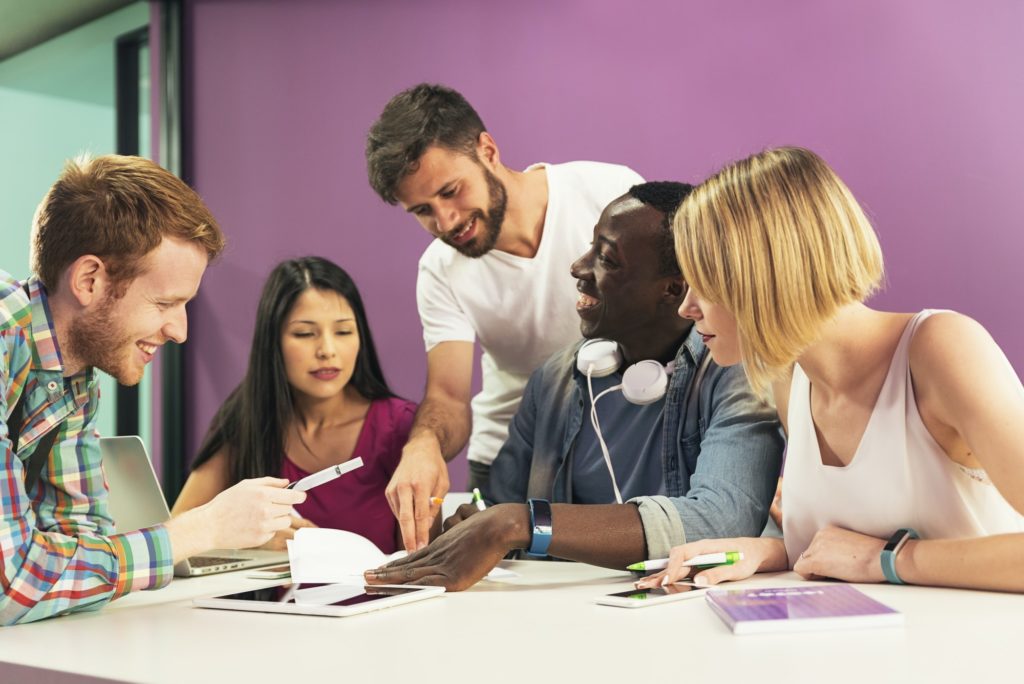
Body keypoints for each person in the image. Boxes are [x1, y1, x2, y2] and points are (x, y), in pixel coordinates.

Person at [638, 146, 1024, 594]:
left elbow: (869, 555)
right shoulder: (789, 379)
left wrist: (891, 560)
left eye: (704, 281)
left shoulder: (941, 348)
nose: (687, 308)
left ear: (765, 274)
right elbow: (848, 545)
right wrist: (768, 551)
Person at [363, 182, 784, 591]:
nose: (579, 268)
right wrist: (476, 523)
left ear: (672, 289)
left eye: (607, 259)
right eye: (590, 248)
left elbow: (720, 519)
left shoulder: (737, 371)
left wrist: (519, 524)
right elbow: (502, 508)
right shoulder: (556, 380)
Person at [0, 155, 305, 626]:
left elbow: (81, 545)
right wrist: (202, 529)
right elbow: (15, 582)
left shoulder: (71, 377)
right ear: (89, 280)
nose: (180, 331)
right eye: (165, 302)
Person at [365, 83, 644, 550]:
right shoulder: (440, 269)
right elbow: (449, 396)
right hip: (514, 461)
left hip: (629, 445)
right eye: (423, 211)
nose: (446, 221)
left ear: (488, 150)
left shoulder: (609, 192)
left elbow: (689, 312)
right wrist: (423, 445)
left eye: (450, 192)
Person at [173, 257, 417, 553]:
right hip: (269, 602)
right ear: (272, 341)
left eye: (343, 331)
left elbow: (421, 562)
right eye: (304, 334)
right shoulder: (244, 422)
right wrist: (248, 543)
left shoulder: (400, 427)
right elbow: (177, 535)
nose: (327, 350)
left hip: (383, 600)